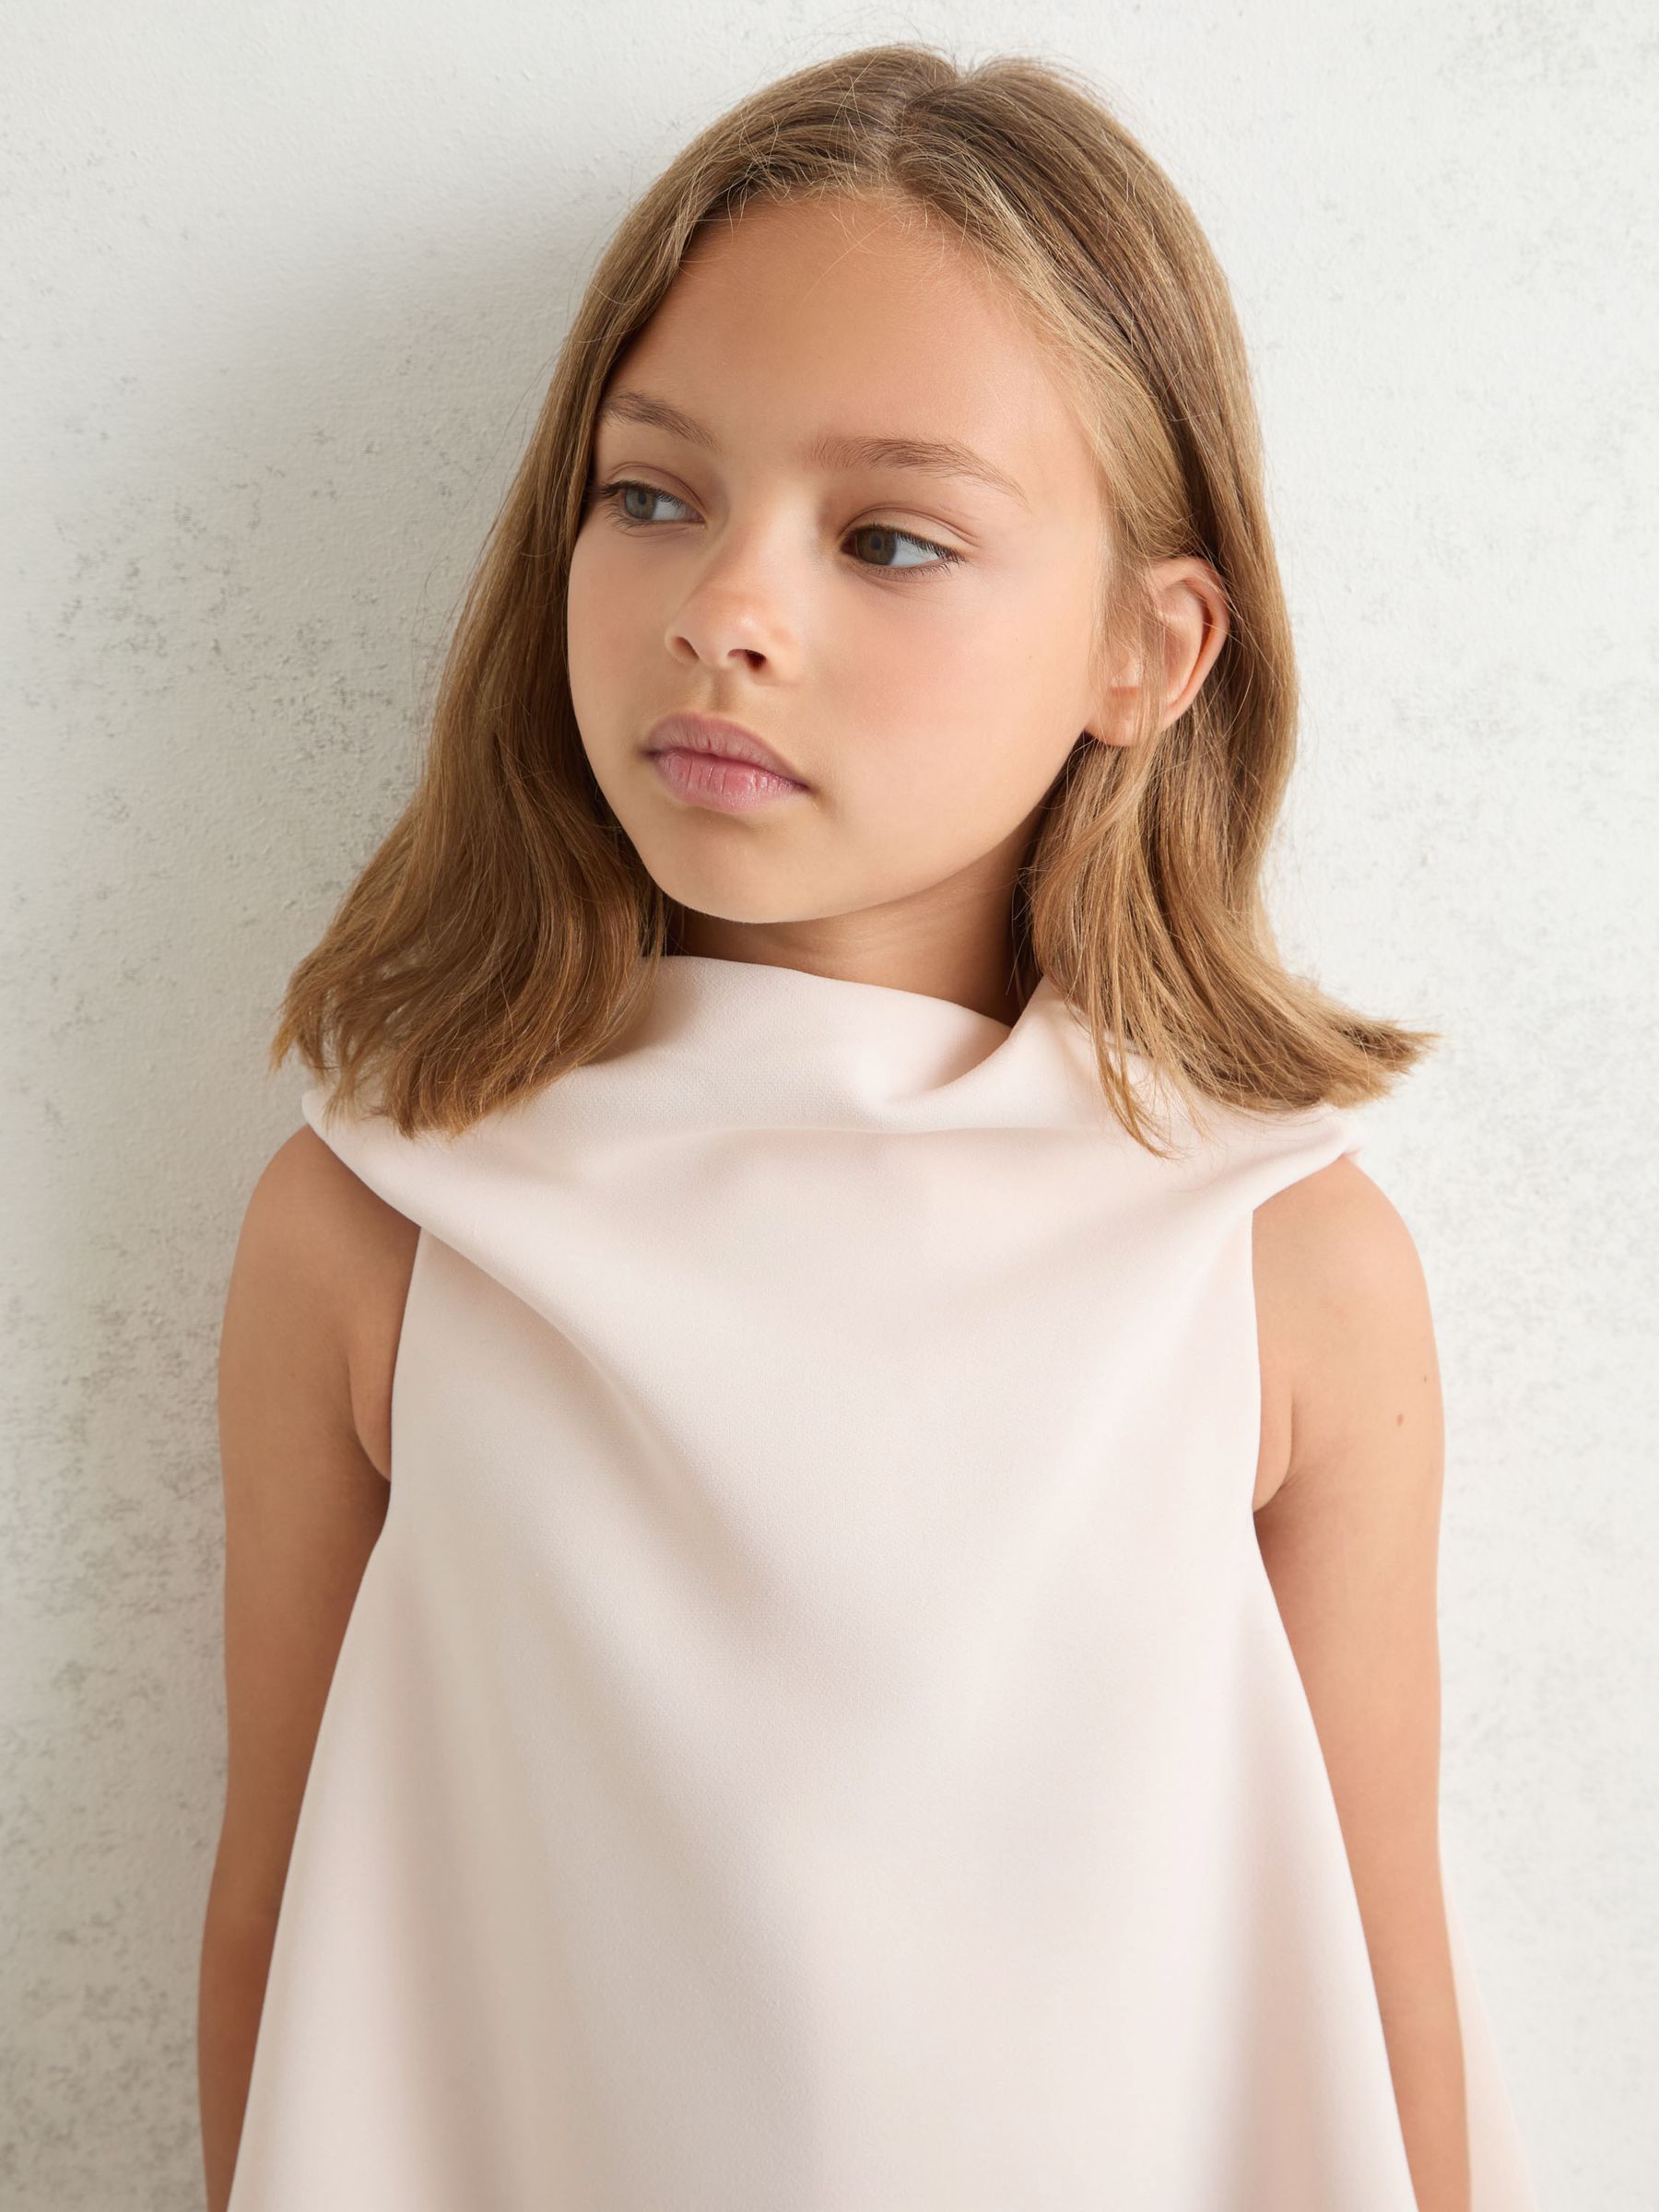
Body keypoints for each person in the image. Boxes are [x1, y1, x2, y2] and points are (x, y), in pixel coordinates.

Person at [198, 41, 1536, 2212]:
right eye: (652, 496)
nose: (725, 612)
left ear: (1148, 650)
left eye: (891, 538)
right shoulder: (379, 1230)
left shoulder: (1276, 1261)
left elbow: (1377, 1992)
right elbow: (289, 1943)